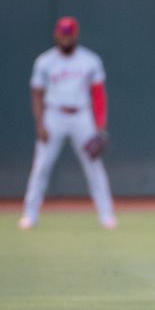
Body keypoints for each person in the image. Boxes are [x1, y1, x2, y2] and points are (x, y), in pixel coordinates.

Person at [18, 16, 117, 230]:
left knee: (94, 166)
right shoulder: (45, 61)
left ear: (75, 34)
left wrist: (100, 125)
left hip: (82, 115)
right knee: (41, 166)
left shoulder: (90, 60)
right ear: (56, 34)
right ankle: (30, 215)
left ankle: (107, 215)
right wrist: (40, 123)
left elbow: (99, 94)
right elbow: (37, 93)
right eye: (62, 34)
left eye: (69, 34)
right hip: (54, 114)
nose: (65, 38)